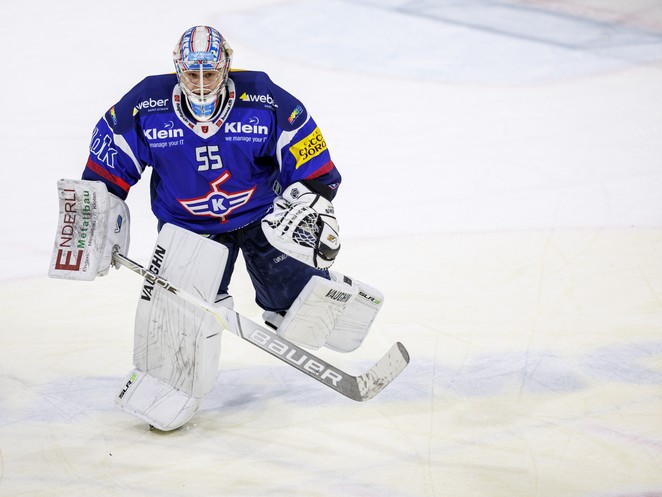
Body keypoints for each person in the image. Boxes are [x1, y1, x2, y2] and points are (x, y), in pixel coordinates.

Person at [81, 25, 382, 352]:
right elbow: (106, 170)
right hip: (187, 226)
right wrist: (94, 221)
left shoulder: (265, 100)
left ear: (225, 67)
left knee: (301, 309)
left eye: (209, 74)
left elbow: (313, 165)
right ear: (178, 69)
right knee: (181, 326)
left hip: (264, 218)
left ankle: (322, 293)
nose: (200, 84)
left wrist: (312, 209)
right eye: (191, 75)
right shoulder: (145, 105)